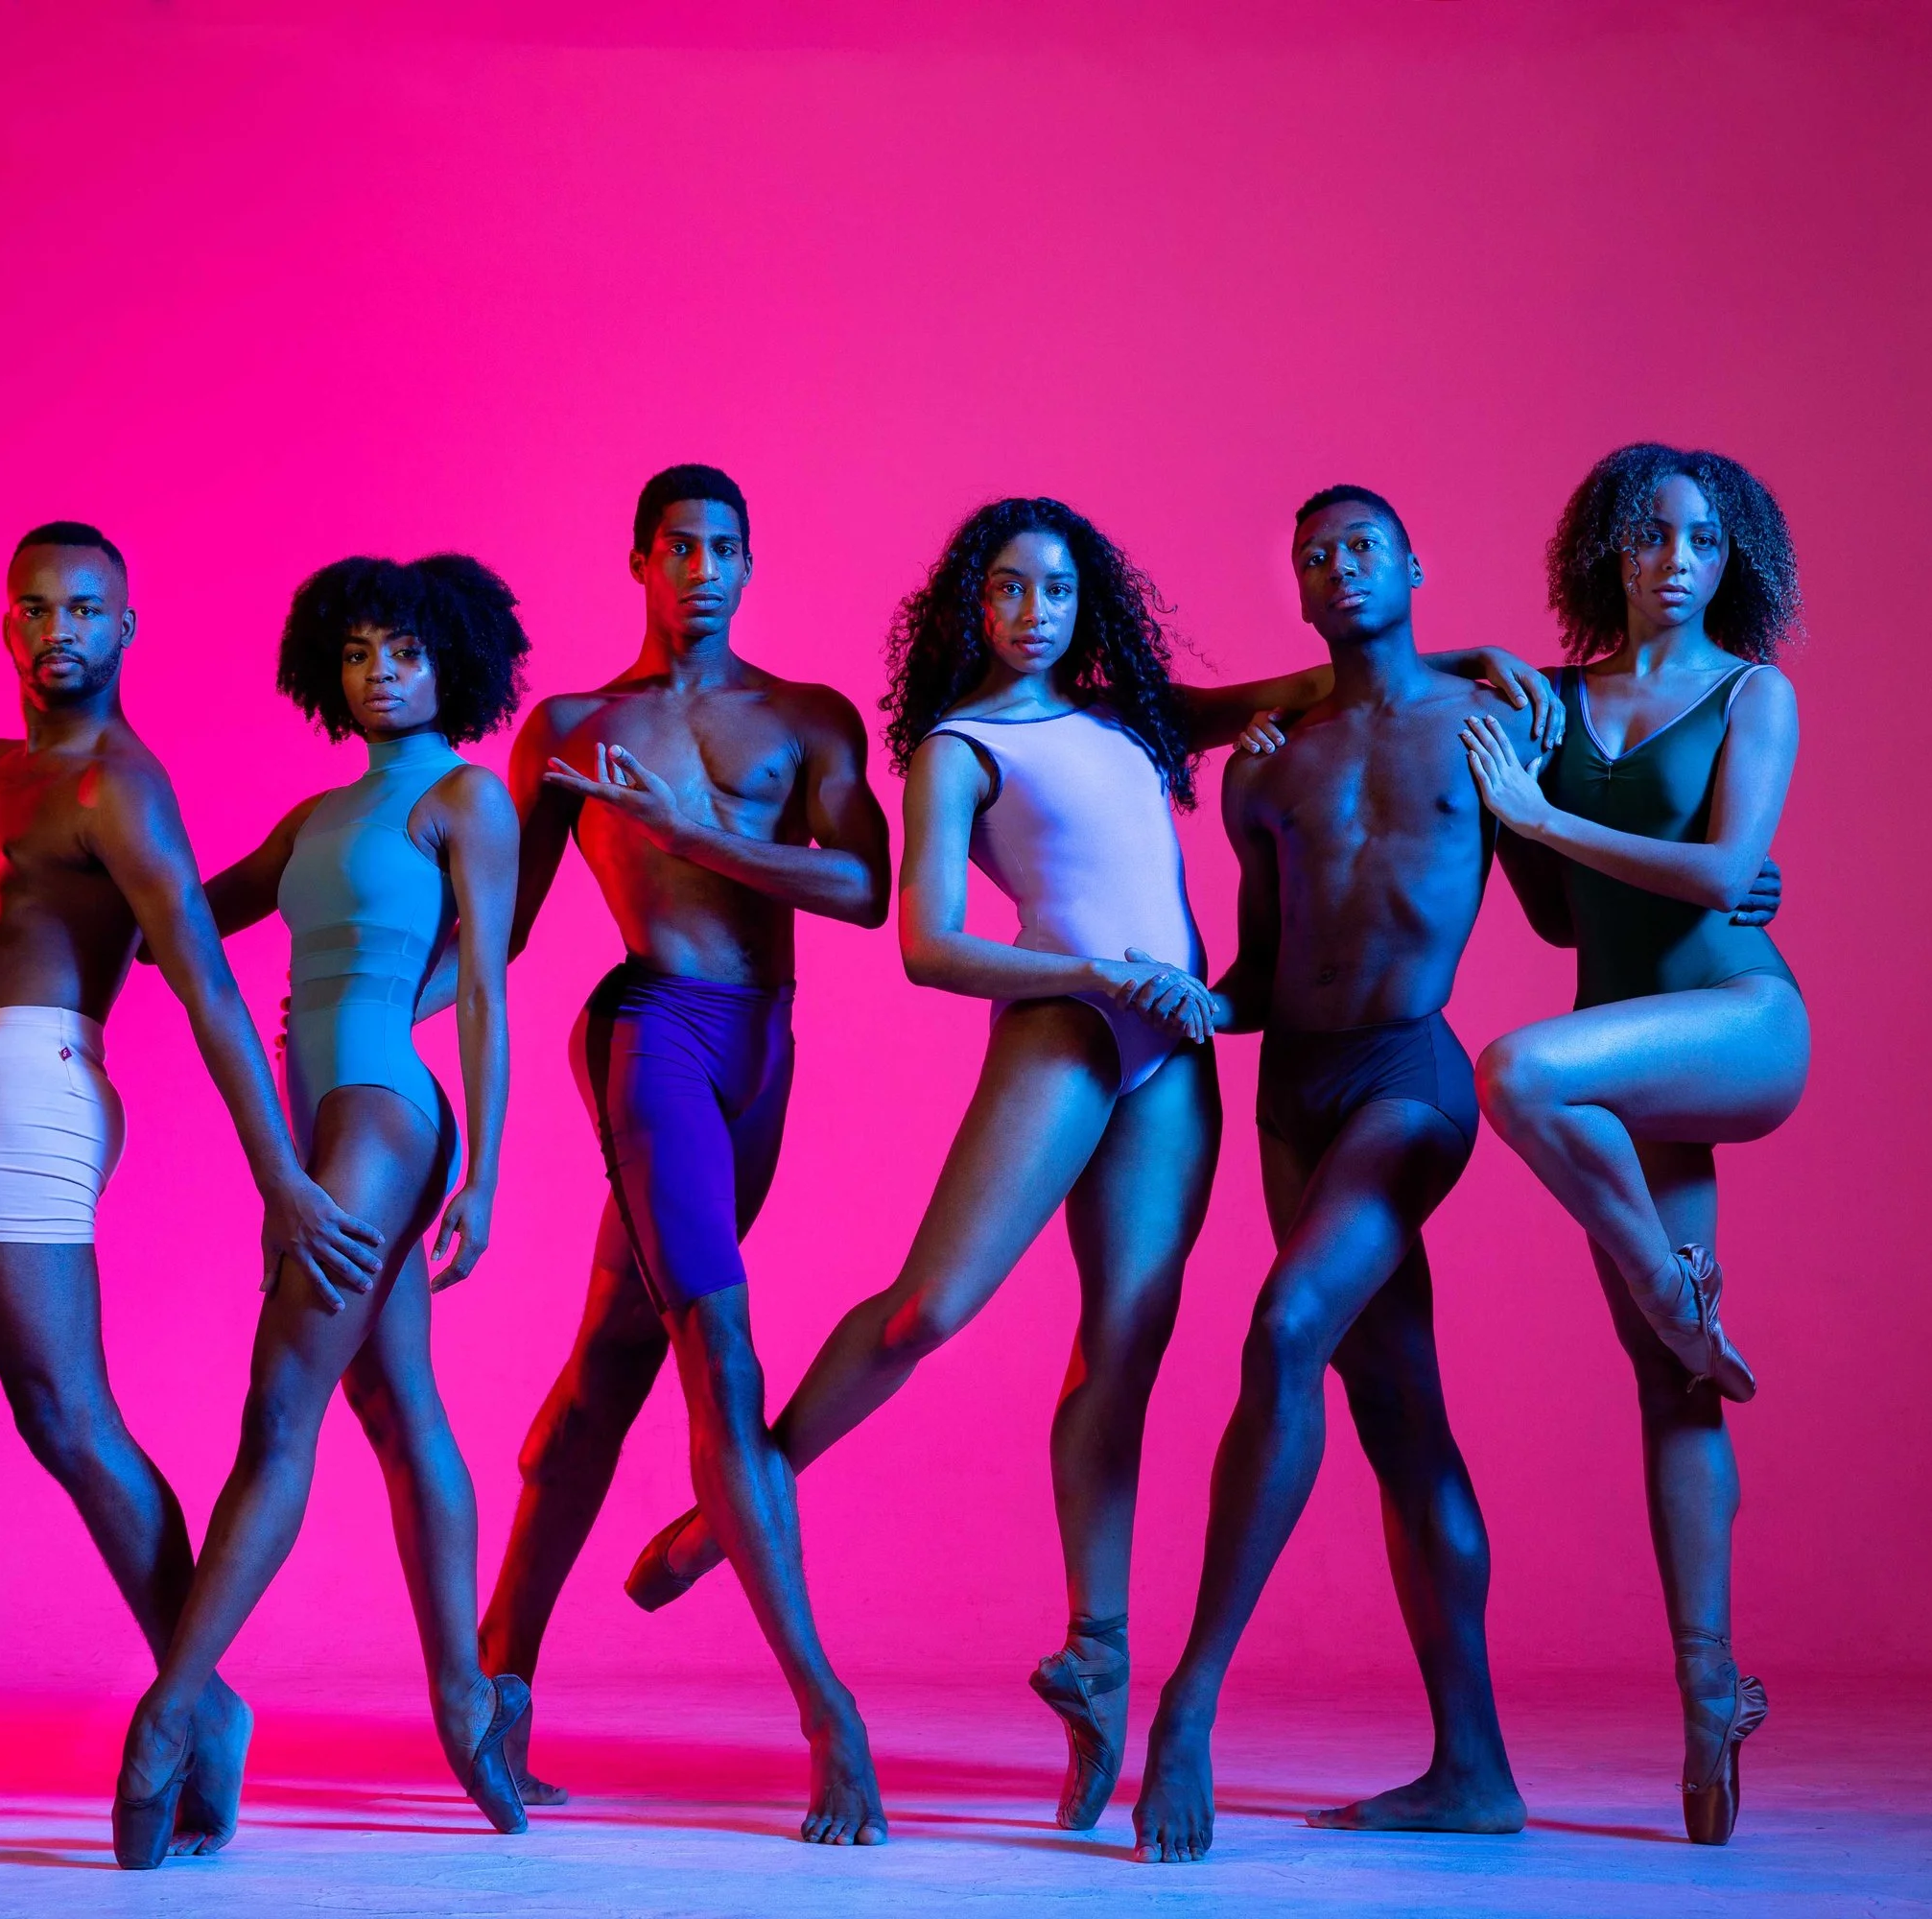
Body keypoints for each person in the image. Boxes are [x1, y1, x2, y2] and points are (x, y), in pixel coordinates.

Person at [624, 498, 1564, 1832]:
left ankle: (1098, 1655)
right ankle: (743, 1499)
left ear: (1087, 605)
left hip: (1172, 1049)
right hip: (1070, 1021)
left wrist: (1468, 664)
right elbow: (928, 944)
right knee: (926, 1309)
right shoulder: (958, 749)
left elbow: (1329, 673)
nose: (1033, 614)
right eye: (1006, 592)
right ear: (972, 610)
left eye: (1056, 590)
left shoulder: (1137, 719)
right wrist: (1091, 975)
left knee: (1122, 1348)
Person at [0, 524, 385, 1858]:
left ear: (127, 627)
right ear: (7, 628)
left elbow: (204, 977)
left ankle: (194, 1691)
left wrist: (279, 1177)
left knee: (62, 1416)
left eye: (86, 610)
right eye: (37, 610)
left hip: (38, 1084)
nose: (60, 632)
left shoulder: (121, 790)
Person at [473, 464, 896, 1845]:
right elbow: (503, 930)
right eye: (679, 548)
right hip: (651, 1032)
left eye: (726, 548)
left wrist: (696, 829)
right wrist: (361, 1005)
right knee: (721, 1342)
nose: (703, 569)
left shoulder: (805, 718)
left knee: (607, 1369)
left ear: (748, 564)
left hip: (762, 1052)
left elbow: (865, 888)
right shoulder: (576, 730)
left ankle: (494, 1684)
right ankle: (829, 1714)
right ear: (640, 562)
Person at [1133, 486, 1539, 1862]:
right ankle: (1473, 1769)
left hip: (1409, 1082)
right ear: (1299, 599)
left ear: (1415, 566)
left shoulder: (1482, 723)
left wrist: (1722, 889)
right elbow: (1259, 971)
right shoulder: (1267, 766)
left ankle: (1188, 1703)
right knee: (1400, 1419)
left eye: (1360, 545)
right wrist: (1189, 999)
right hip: (1290, 1089)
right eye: (1314, 555)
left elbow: (1556, 884)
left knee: (1285, 1324)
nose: (1337, 565)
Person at [108, 555, 531, 1865]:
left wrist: (490, 1173)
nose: (380, 671)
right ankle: (468, 1699)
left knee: (275, 1415)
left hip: (389, 1117)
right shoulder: (310, 821)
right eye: (357, 652)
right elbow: (175, 921)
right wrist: (69, 865)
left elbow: (482, 990)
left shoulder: (466, 797)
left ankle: (171, 1716)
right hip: (327, 1125)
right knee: (401, 1411)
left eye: (403, 650)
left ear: (449, 663)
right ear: (326, 671)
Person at [1463, 445, 1806, 1845]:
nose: (1679, 559)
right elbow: (1559, 922)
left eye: (1707, 541)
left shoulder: (1753, 693)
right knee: (1676, 1395)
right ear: (1609, 547)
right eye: (1654, 535)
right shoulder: (1563, 700)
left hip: (1733, 1021)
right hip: (1624, 1060)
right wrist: (1514, 811)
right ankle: (1710, 1698)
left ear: (1737, 562)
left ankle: (1679, 1292)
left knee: (1515, 1068)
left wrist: (1541, 810)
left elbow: (1731, 876)